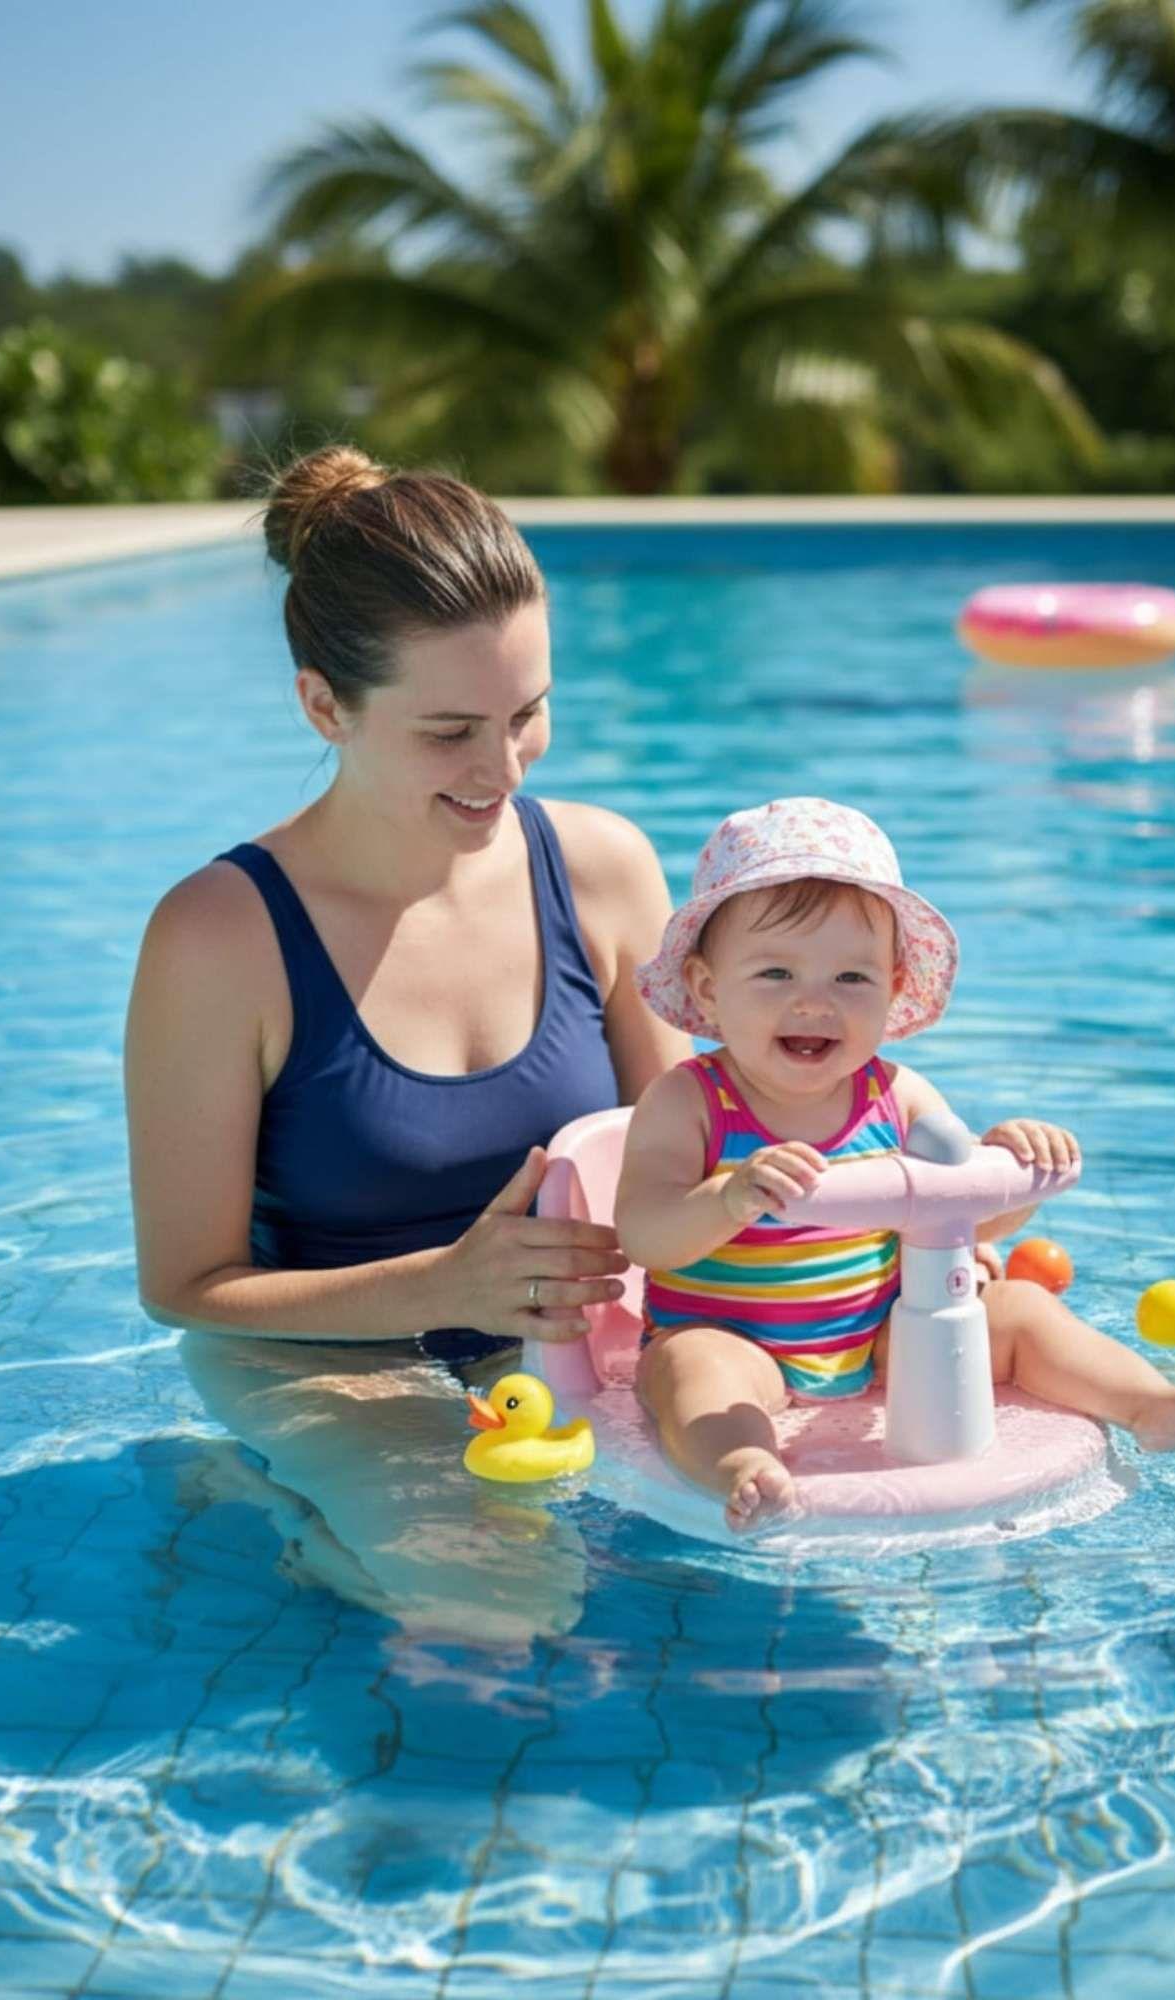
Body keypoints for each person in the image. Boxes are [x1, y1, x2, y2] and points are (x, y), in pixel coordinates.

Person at [124, 445, 689, 1636]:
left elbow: (699, 1152)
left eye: (527, 712)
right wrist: (446, 1285)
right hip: (320, 1351)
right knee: (508, 1603)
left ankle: (312, 1512)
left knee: (722, 1536)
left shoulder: (601, 870)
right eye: (449, 732)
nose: (502, 769)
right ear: (324, 704)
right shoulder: (221, 937)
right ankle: (284, 1495)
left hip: (556, 1333)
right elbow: (186, 1285)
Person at [615, 797, 1175, 1533]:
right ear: (710, 989)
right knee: (693, 1370)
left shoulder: (898, 1096)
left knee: (1022, 1311)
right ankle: (741, 1464)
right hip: (732, 1337)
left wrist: (1013, 1163)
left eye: (851, 980)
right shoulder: (689, 1102)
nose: (814, 1003)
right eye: (775, 973)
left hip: (877, 1339)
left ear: (895, 988)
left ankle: (1149, 1405)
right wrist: (728, 1199)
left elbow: (962, 1215)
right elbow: (645, 1235)